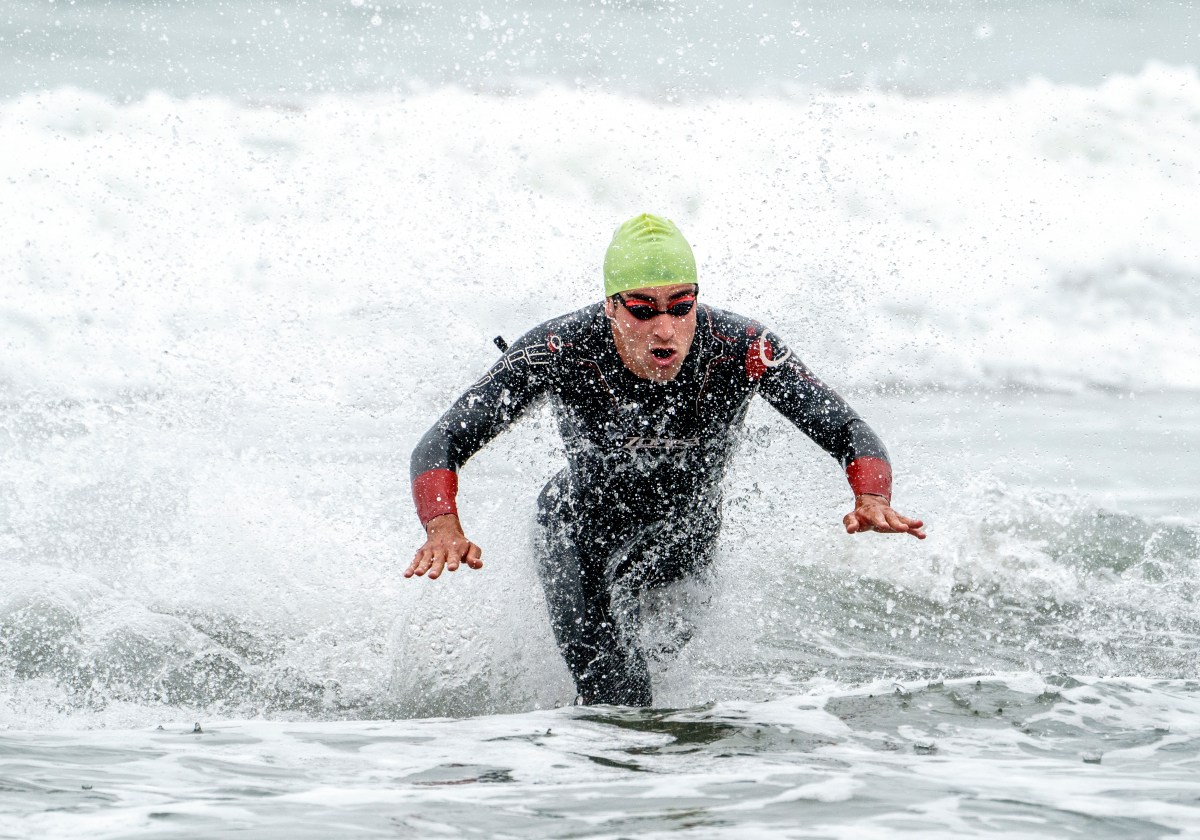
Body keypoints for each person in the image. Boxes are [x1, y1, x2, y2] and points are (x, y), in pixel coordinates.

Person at [406, 213, 925, 706]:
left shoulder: (742, 346)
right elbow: (443, 440)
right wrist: (442, 524)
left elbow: (846, 427)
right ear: (611, 305)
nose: (665, 330)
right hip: (578, 534)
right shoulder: (558, 348)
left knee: (664, 700)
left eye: (681, 307)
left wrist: (871, 495)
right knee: (620, 697)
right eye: (642, 308)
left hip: (685, 540)